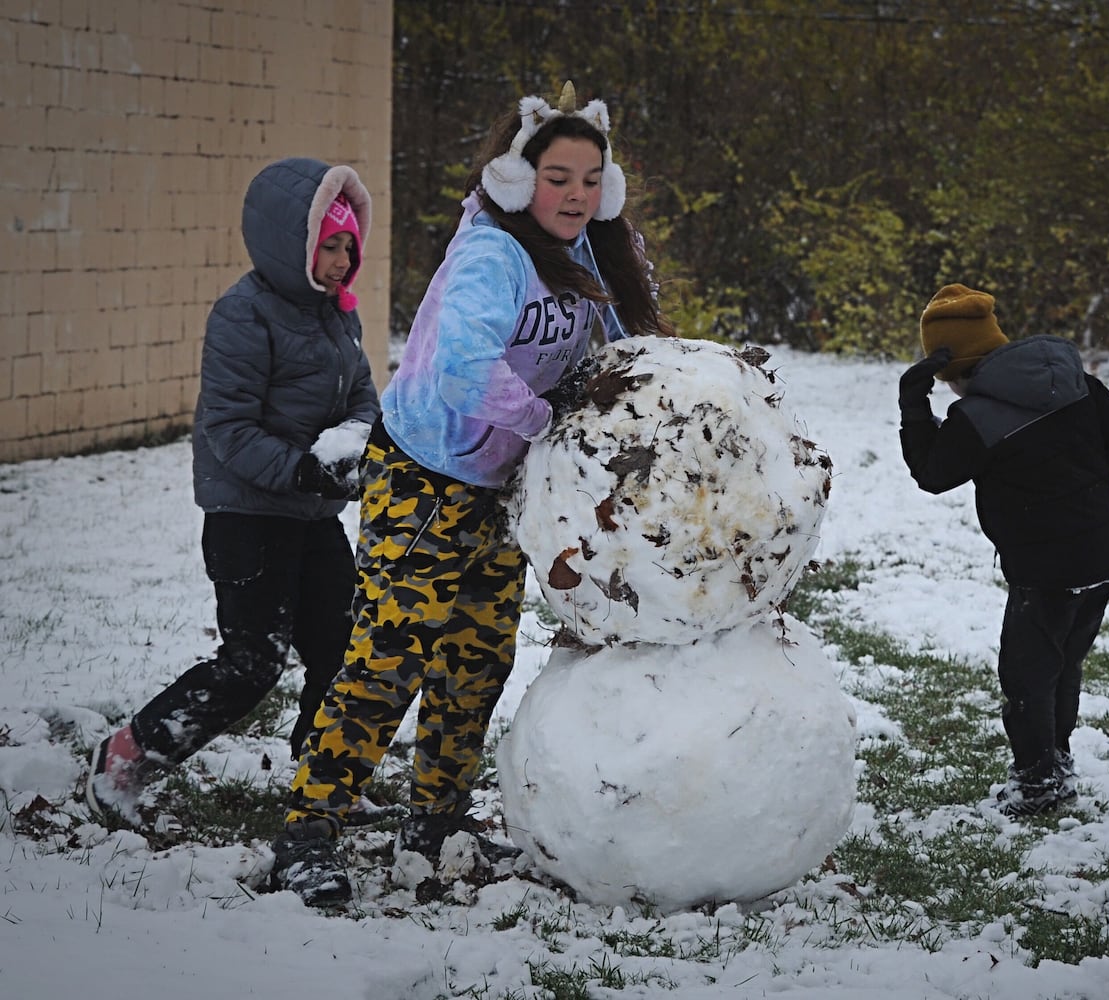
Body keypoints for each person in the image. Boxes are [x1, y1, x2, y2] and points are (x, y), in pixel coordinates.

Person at [269, 81, 675, 907]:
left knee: (476, 661)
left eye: (591, 179)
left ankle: (436, 822)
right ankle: (309, 827)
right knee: (390, 657)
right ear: (520, 180)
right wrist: (544, 419)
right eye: (558, 177)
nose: (576, 195)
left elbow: (623, 339)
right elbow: (462, 371)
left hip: (498, 485)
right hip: (424, 476)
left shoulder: (586, 248)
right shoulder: (493, 253)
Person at [86, 158, 380, 825]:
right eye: (328, 246)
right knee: (253, 662)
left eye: (347, 247)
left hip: (311, 514)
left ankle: (324, 775)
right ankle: (126, 757)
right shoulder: (243, 315)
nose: (340, 261)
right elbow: (229, 429)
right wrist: (304, 468)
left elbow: (360, 392)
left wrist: (356, 441)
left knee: (343, 644)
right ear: (291, 245)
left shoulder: (336, 317)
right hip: (249, 515)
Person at [897, 283, 1109, 819]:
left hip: (1042, 568)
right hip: (1101, 555)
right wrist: (1081, 489)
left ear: (947, 366)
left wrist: (913, 406)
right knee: (1064, 662)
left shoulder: (978, 418)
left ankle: (1037, 783)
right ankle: (1057, 759)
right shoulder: (1072, 379)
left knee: (1028, 674)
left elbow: (933, 474)